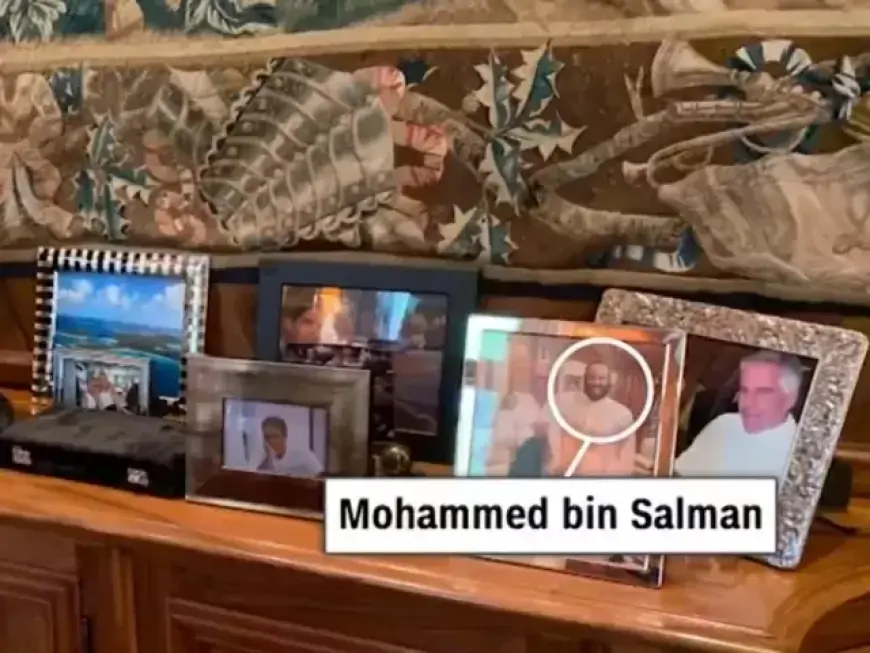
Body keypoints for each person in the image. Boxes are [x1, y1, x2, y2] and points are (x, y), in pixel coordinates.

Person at [676, 350, 802, 478]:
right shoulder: (724, 424)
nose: (748, 403)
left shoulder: (800, 455)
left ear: (790, 399)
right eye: (744, 391)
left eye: (762, 392)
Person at [551, 360, 637, 476]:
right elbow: (553, 436)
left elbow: (627, 456)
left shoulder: (622, 414)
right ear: (584, 380)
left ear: (609, 381)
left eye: (601, 378)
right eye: (592, 378)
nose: (596, 382)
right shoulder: (566, 405)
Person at [257, 415, 324, 477]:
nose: (271, 441)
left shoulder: (301, 454)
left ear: (284, 436)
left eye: (275, 436)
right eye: (267, 437)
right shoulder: (267, 458)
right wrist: (268, 457)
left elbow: (321, 475)